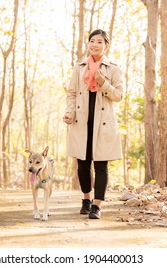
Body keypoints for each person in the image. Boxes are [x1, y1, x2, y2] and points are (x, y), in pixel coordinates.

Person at [63, 29, 123, 219]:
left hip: (103, 124)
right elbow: (71, 93)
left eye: (99, 42)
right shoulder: (79, 67)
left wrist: (102, 82)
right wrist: (69, 112)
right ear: (88, 44)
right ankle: (86, 199)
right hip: (81, 122)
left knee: (101, 165)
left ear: (106, 46)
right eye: (92, 41)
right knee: (82, 164)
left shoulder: (113, 68)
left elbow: (118, 96)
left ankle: (97, 206)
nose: (95, 45)